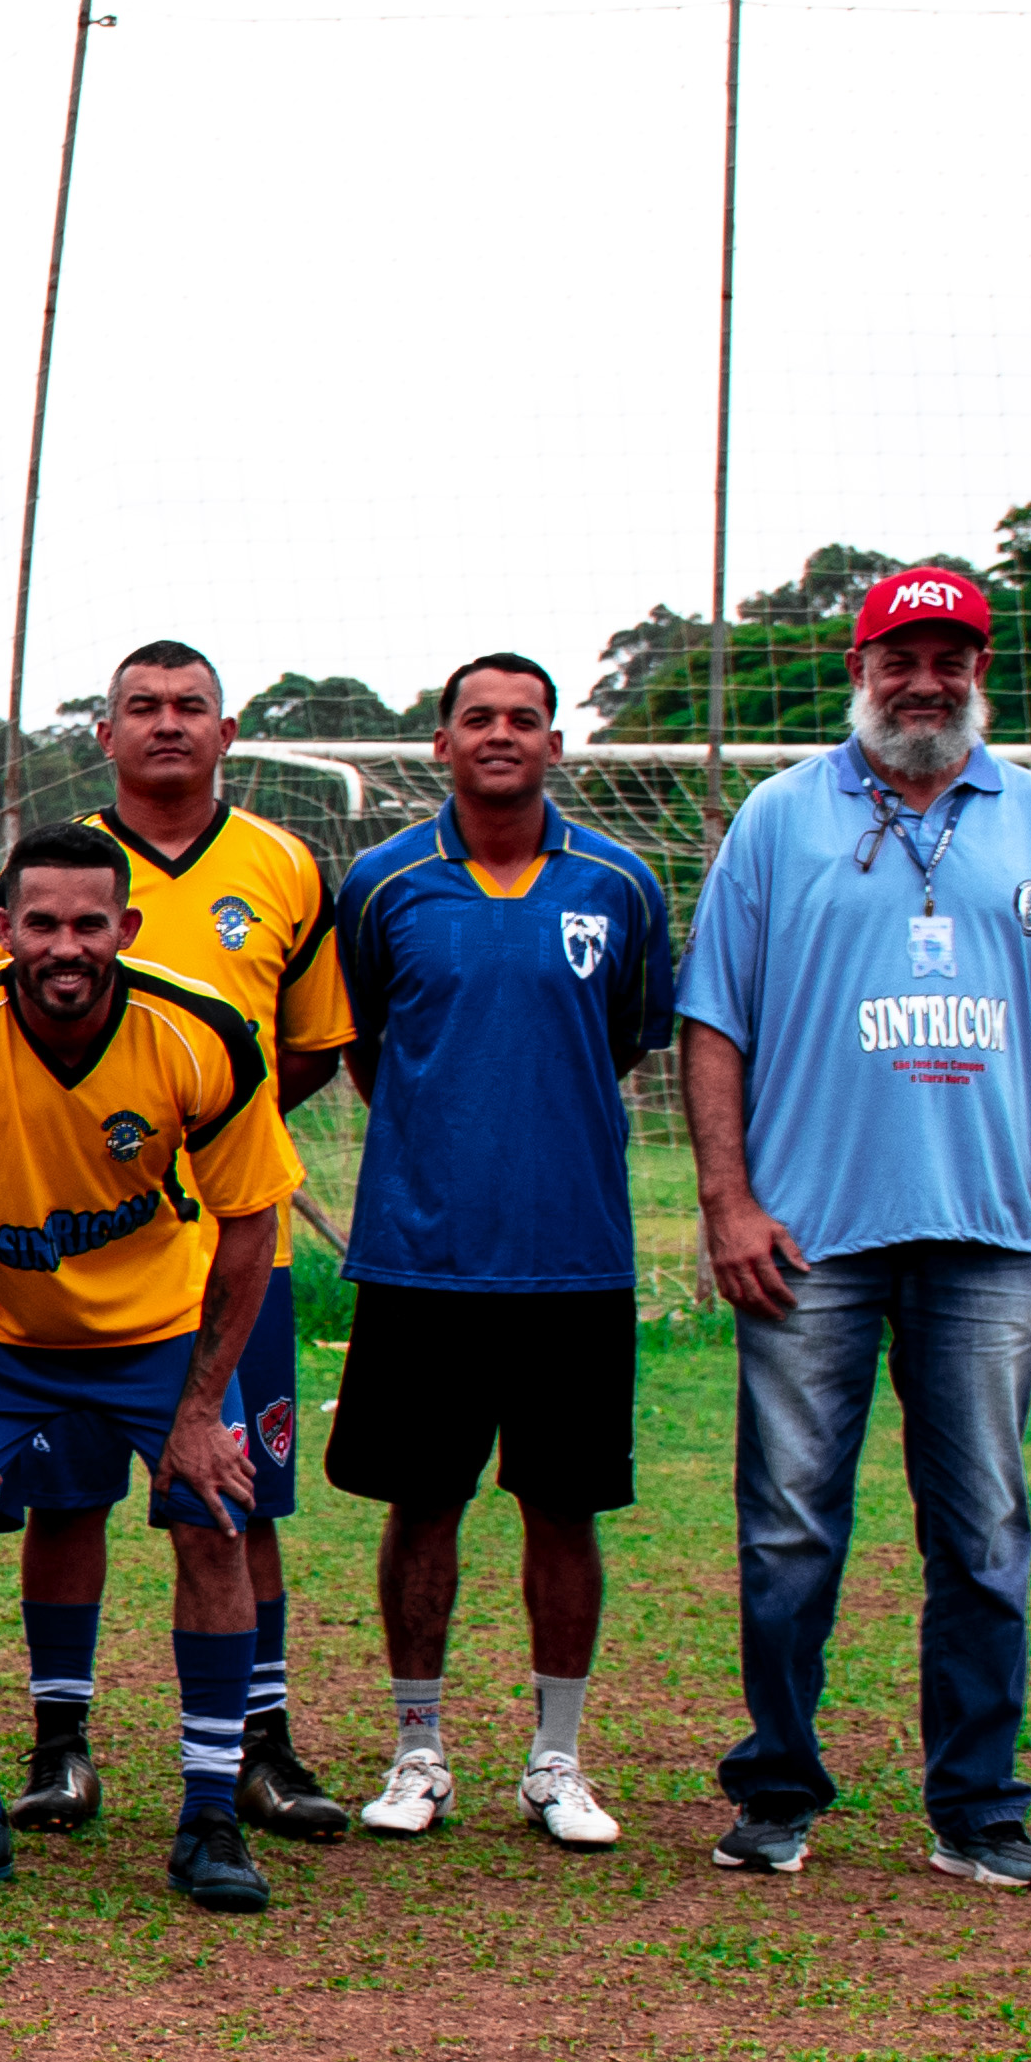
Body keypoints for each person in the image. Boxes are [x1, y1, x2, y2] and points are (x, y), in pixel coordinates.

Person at [677, 563, 1031, 1891]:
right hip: (807, 1239)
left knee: (983, 1532)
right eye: (899, 660)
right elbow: (713, 1020)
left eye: (949, 660)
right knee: (790, 1528)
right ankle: (776, 1789)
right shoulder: (778, 816)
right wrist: (728, 1202)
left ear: (979, 672)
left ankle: (979, 1808)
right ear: (858, 671)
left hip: (988, 1236)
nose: (924, 684)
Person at [0, 823, 301, 1913]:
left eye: (90, 924)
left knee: (215, 1518)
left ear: (126, 928)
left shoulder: (202, 1029)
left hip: (159, 1330)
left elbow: (250, 1220)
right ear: (1, 928)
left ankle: (209, 1818)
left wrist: (201, 1408)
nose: (66, 947)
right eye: (42, 923)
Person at [328, 651, 679, 1853]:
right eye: (477, 717)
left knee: (564, 1507)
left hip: (574, 1257)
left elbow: (622, 1035)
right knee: (422, 1502)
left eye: (524, 719)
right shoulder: (382, 883)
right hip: (422, 1257)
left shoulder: (621, 883)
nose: (500, 735)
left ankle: (557, 1759)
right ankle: (417, 1748)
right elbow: (370, 1044)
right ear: (441, 742)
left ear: (554, 743)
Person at [29, 639, 356, 1838]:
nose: (166, 722)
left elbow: (311, 1045)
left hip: (231, 1258)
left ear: (227, 733)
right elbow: (2, 1038)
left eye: (189, 706)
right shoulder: (56, 865)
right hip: (71, 1256)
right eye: (142, 706)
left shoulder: (283, 863)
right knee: (66, 1501)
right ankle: (60, 1741)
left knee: (233, 1501)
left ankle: (257, 1745)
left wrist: (212, 1139)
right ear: (104, 734)